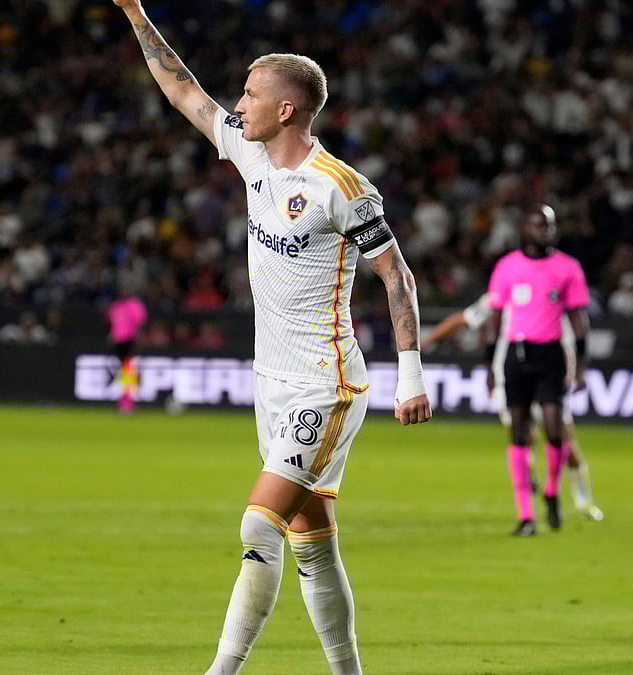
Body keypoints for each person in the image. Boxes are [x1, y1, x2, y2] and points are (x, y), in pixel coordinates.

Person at [113, 2, 433, 673]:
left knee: (258, 524)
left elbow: (396, 275)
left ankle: (220, 670)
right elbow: (181, 90)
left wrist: (412, 376)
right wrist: (136, 12)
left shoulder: (341, 187)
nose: (238, 102)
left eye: (252, 93)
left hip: (328, 382)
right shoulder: (250, 152)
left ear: (287, 110)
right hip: (272, 382)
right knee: (312, 545)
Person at [445, 204, 600, 536]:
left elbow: (578, 319)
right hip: (516, 355)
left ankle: (552, 492)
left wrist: (582, 365)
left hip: (551, 354)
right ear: (524, 229)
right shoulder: (507, 267)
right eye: (538, 225)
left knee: (556, 430)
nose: (545, 231)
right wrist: (489, 365)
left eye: (550, 225)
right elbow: (495, 318)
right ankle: (526, 517)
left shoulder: (567, 267)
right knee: (518, 432)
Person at [422, 286, 603, 532]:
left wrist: (571, 375)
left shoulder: (554, 301)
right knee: (522, 439)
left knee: (566, 445)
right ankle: (529, 504)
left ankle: (582, 502)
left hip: (548, 377)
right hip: (511, 379)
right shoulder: (500, 297)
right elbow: (462, 319)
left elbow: (570, 343)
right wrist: (423, 344)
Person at [107, 284, 147, 415]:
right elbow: (112, 324)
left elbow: (139, 324)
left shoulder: (135, 305)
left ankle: (128, 403)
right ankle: (124, 402)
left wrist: (136, 342)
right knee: (123, 373)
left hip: (129, 342)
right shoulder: (115, 306)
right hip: (118, 343)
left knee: (128, 372)